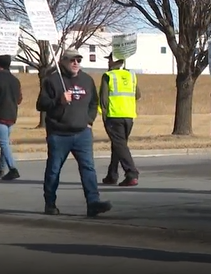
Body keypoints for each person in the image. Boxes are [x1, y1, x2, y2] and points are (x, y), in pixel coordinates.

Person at [37, 48, 112, 217]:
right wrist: (59, 100)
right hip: (59, 133)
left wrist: (89, 120)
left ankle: (93, 202)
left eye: (78, 60)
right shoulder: (52, 80)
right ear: (63, 61)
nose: (76, 63)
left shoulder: (86, 80)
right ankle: (50, 202)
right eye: (72, 60)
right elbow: (41, 104)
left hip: (82, 133)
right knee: (54, 169)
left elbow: (94, 102)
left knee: (88, 168)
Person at [100, 52, 141, 187]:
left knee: (120, 145)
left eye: (109, 59)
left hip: (114, 115)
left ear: (114, 61)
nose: (108, 62)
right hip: (129, 115)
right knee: (118, 145)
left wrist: (104, 115)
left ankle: (131, 173)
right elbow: (137, 95)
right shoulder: (131, 75)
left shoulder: (108, 76)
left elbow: (103, 99)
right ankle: (112, 175)